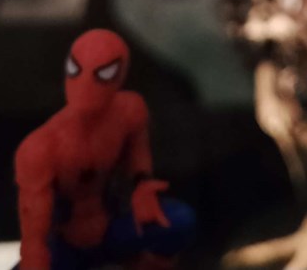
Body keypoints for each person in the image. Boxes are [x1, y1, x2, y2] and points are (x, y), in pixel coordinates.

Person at [14, 30, 195, 270]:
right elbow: (34, 233)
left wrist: (142, 187)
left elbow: (138, 156)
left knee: (180, 218)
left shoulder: (130, 111)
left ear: (119, 75)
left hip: (111, 228)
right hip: (66, 244)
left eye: (103, 73)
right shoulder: (40, 148)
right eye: (76, 69)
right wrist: (36, 259)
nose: (86, 85)